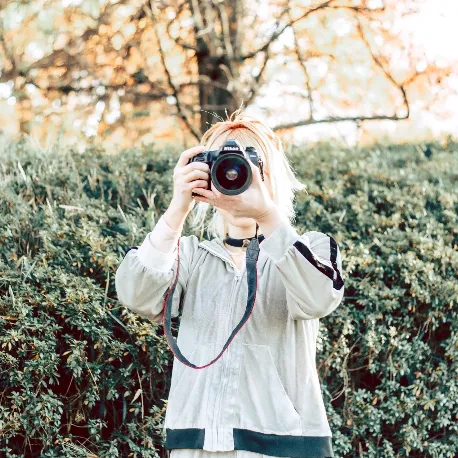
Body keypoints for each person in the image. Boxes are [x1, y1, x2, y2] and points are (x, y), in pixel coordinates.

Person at [115, 109, 345, 458]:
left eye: (247, 166)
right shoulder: (189, 256)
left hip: (284, 446)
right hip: (195, 446)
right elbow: (136, 294)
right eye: (220, 166)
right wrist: (177, 209)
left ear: (271, 178)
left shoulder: (309, 249)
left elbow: (319, 297)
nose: (234, 175)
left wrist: (266, 215)